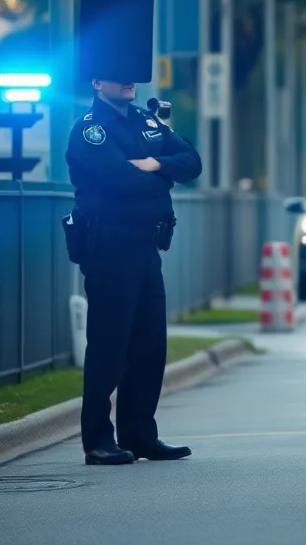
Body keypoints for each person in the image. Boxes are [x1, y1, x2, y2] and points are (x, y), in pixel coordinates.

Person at [66, 79, 202, 465]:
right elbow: (119, 181)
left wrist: (156, 164)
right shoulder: (90, 128)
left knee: (149, 345)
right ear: (96, 81)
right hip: (109, 246)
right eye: (117, 74)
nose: (128, 81)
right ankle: (97, 440)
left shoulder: (148, 121)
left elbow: (192, 161)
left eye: (131, 74)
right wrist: (163, 178)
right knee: (110, 345)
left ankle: (139, 434)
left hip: (146, 246)